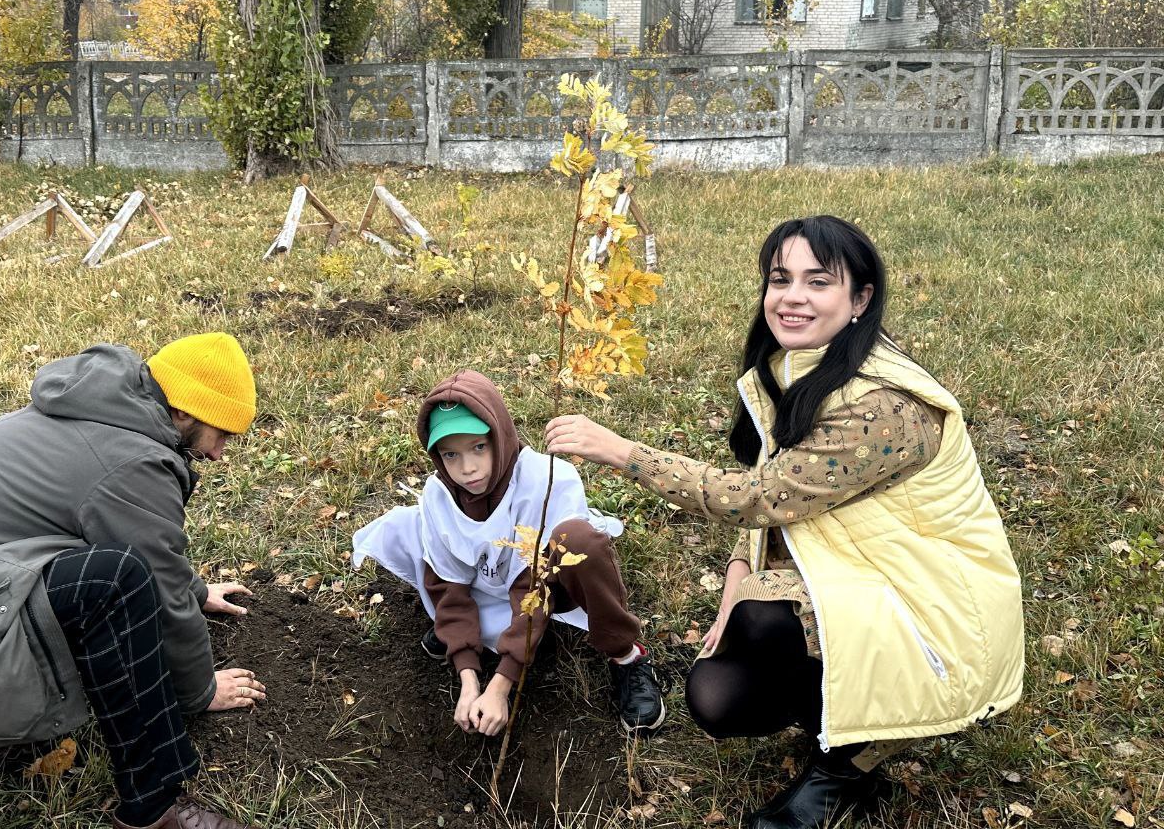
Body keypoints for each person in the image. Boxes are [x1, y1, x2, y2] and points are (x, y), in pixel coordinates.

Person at [545, 216, 1025, 829]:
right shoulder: (807, 368)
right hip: (872, 573)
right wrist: (738, 576)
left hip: (938, 610)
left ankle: (851, 759)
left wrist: (624, 452)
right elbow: (778, 495)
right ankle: (843, 710)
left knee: (764, 622)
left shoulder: (884, 408)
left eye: (817, 281)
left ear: (860, 299)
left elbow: (758, 495)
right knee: (716, 695)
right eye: (780, 278)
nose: (792, 297)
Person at [0, 333, 269, 829]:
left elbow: (158, 558)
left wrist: (197, 592)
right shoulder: (132, 461)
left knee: (111, 569)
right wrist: (197, 691)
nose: (219, 455)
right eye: (223, 435)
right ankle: (155, 807)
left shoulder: (102, 413)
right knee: (116, 582)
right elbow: (160, 584)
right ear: (183, 413)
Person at [352, 369, 665, 736]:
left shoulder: (545, 481)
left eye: (479, 447)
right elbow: (449, 588)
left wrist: (501, 684)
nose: (467, 468)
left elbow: (533, 591)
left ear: (499, 436)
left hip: (544, 586)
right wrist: (469, 677)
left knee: (579, 540)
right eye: (451, 455)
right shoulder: (441, 495)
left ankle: (627, 657)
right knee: (407, 528)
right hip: (489, 583)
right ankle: (461, 637)